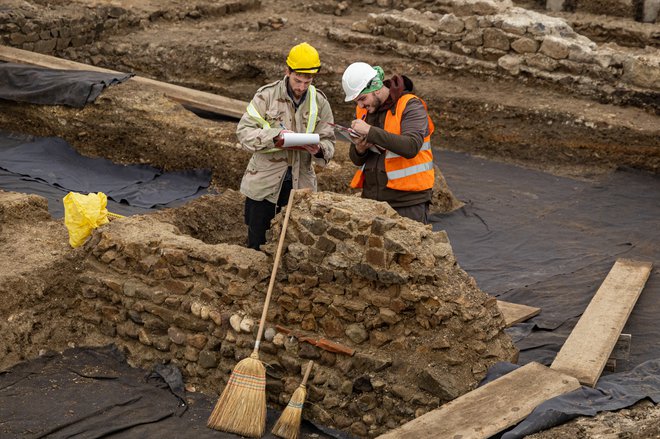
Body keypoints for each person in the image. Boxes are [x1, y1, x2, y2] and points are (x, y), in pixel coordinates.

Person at [237, 42, 335, 250]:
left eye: (307, 82)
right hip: (264, 185)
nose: (301, 87)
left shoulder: (320, 102)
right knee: (257, 244)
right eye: (297, 80)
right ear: (287, 71)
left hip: (301, 186)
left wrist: (318, 149)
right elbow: (244, 133)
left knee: (294, 247)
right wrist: (275, 137)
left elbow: (329, 142)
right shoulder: (266, 96)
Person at [342, 62, 435, 224]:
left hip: (408, 202)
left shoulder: (410, 105)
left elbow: (411, 146)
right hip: (373, 200)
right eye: (356, 101)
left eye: (362, 99)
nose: (360, 105)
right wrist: (359, 148)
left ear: (376, 88)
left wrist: (370, 131)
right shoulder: (365, 109)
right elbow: (356, 160)